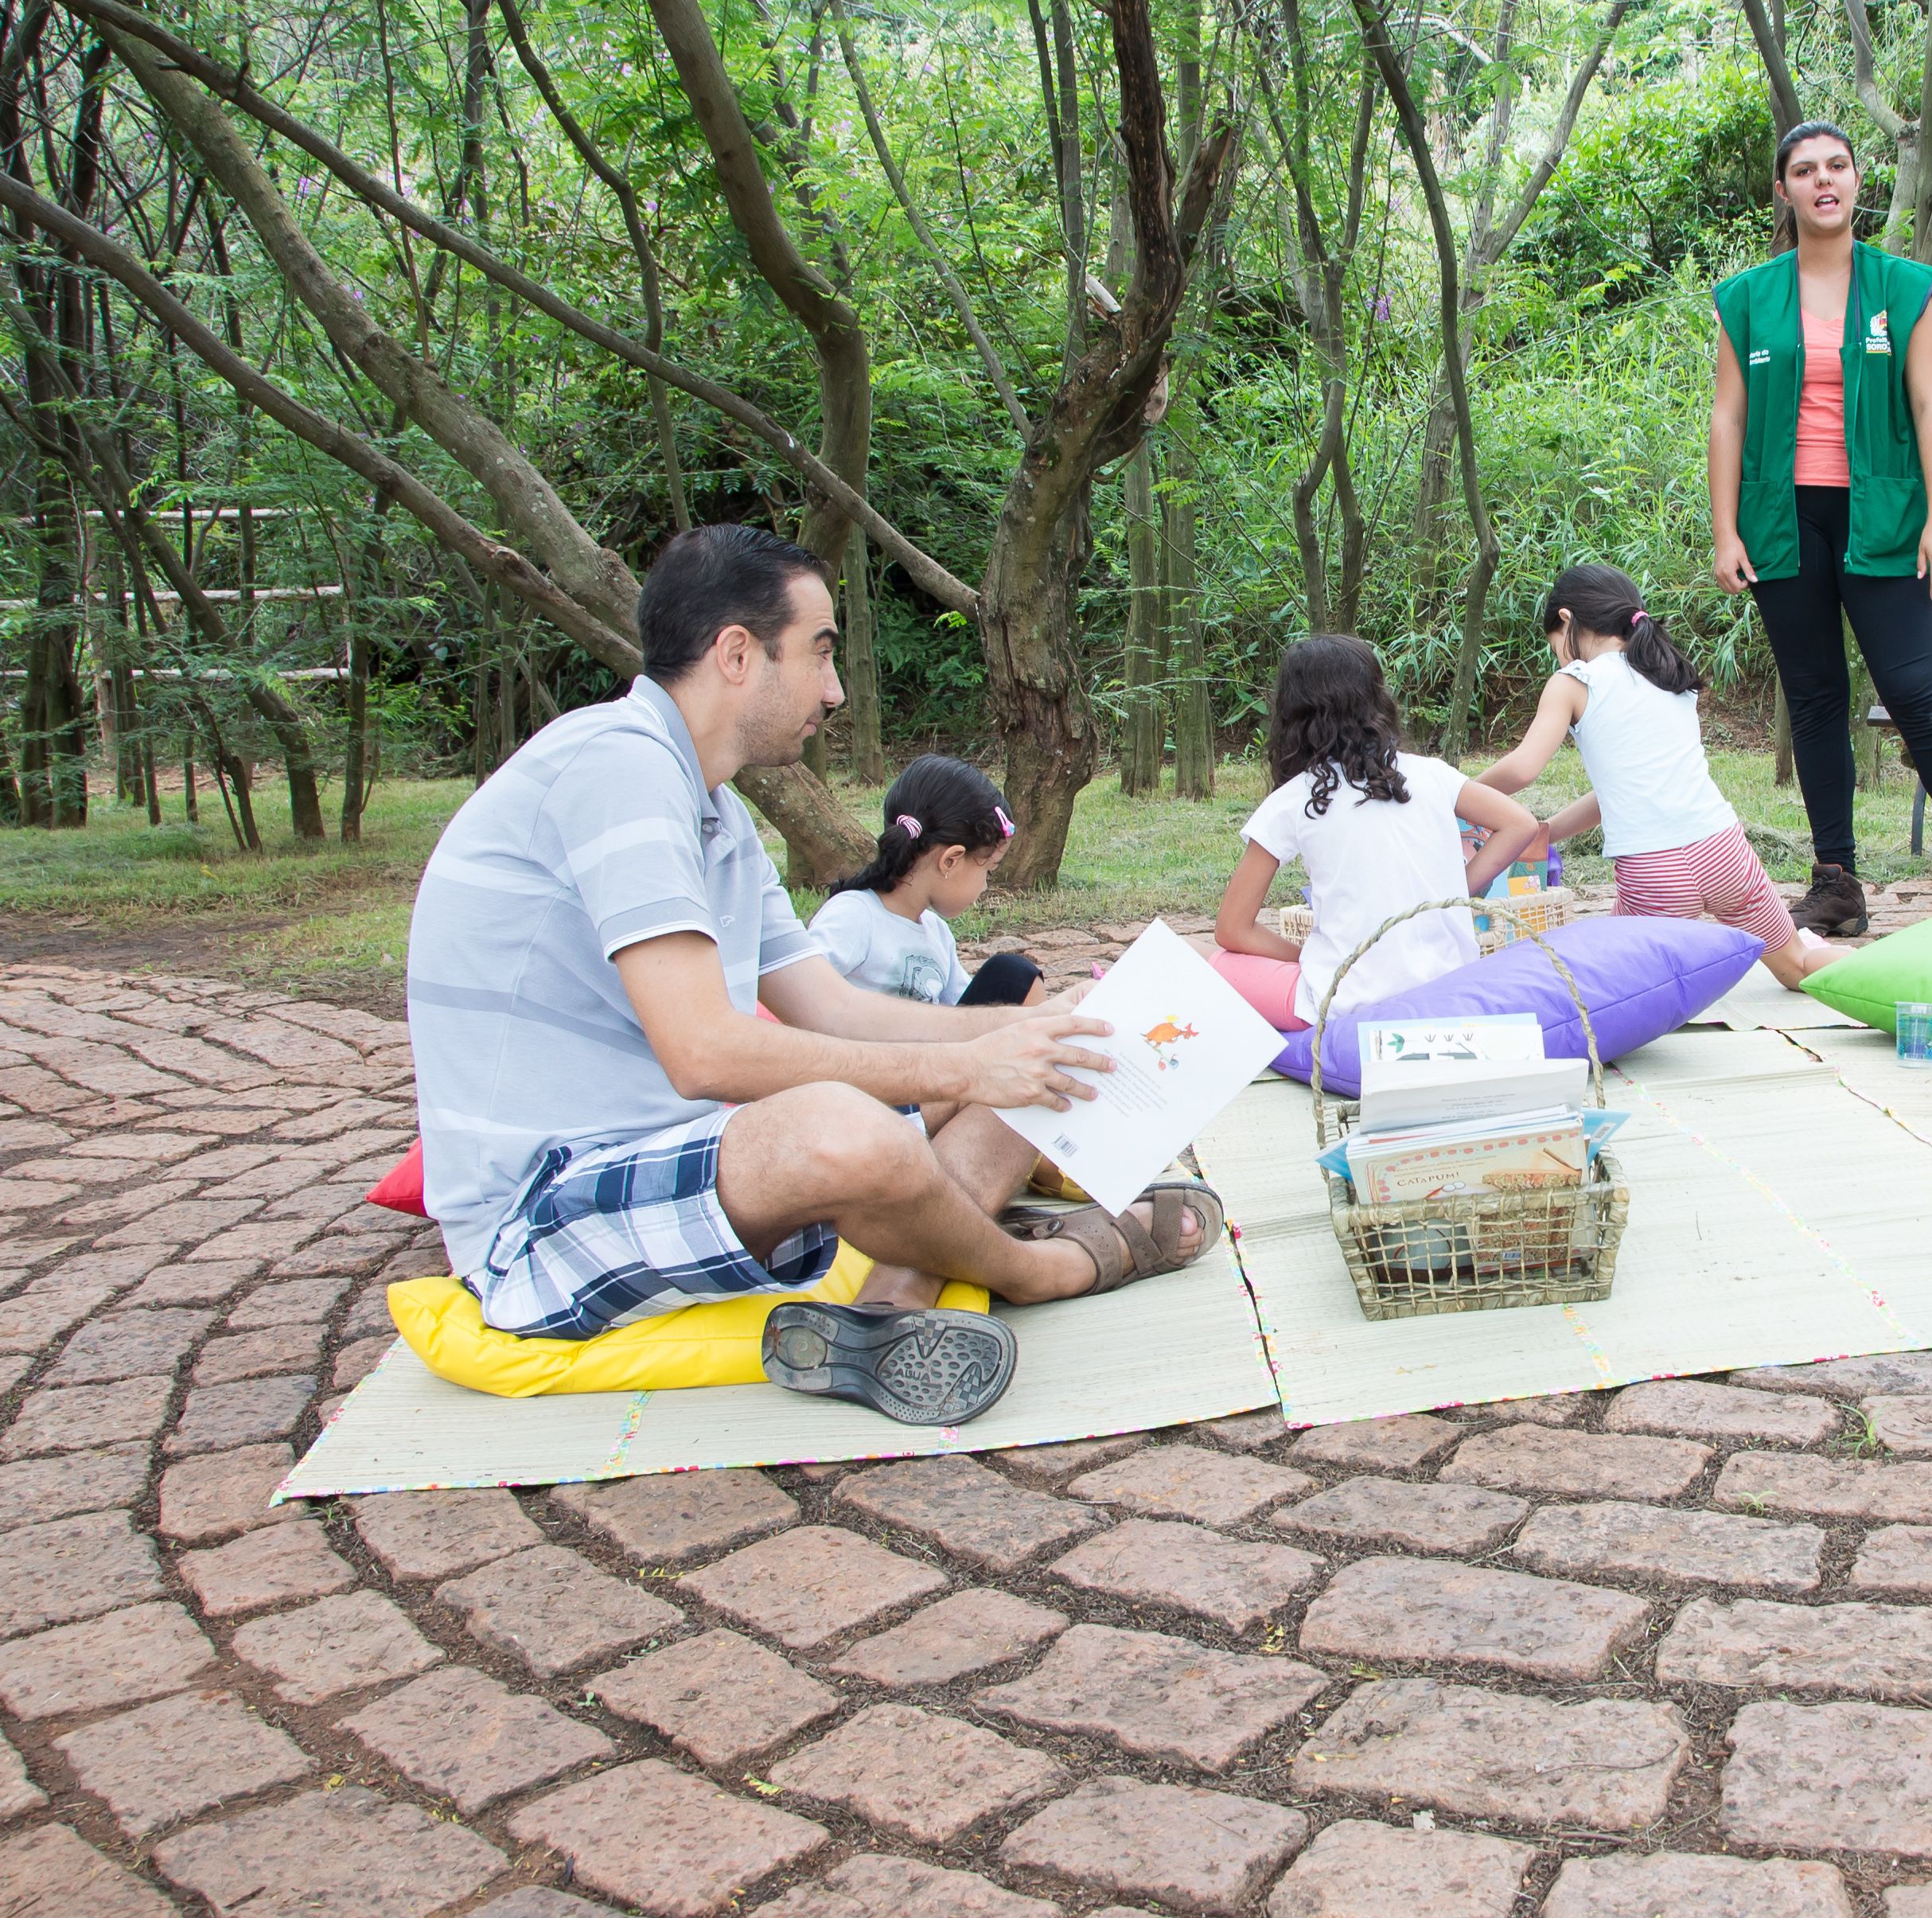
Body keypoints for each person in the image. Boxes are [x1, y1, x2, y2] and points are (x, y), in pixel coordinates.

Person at [405, 524, 1220, 1430]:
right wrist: (963, 1065)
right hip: (546, 1212)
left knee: (1030, 1074)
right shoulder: (616, 765)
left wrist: (1026, 1030)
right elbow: (704, 1053)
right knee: (847, 1124)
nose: (834, 691)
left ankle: (889, 1302)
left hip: (687, 1159)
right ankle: (1038, 1271)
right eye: (820, 654)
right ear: (737, 654)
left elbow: (831, 1007)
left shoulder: (717, 815)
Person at [1708, 118, 1932, 938]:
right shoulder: (1748, 298)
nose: (1824, 180)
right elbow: (1728, 418)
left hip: (1884, 516)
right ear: (1784, 190)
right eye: (1805, 169)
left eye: (1837, 166)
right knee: (1814, 697)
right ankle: (1837, 883)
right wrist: (1724, 530)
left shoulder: (1905, 287)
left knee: (1915, 692)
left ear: (1856, 180)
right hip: (1782, 519)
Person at [1477, 563, 1843, 989]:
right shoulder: (1667, 673)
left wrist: (1458, 791)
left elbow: (1523, 767)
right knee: (1798, 966)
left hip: (1653, 873)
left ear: (1566, 619)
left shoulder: (1573, 681)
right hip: (1724, 852)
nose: (1558, 654)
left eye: (1554, 643)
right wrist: (1547, 832)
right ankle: (1883, 977)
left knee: (1609, 988)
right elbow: (1620, 792)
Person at [1212, 635, 1541, 1031]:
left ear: (1292, 715)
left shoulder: (1293, 799)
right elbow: (1520, 823)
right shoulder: (1432, 774)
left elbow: (1232, 930)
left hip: (1348, 1002)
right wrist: (1454, 890)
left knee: (1196, 953)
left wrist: (1305, 958)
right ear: (1378, 699)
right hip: (1451, 986)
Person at [810, 754, 1051, 1008]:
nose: (985, 886)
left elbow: (963, 1013)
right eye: (988, 871)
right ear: (950, 861)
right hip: (867, 1033)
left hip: (935, 1033)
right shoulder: (854, 915)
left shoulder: (937, 933)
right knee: (1011, 972)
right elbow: (799, 992)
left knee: (1014, 977)